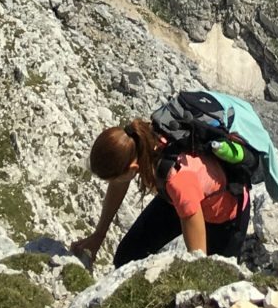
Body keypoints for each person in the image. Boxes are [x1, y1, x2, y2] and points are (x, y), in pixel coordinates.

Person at [72, 114, 251, 269]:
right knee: (126, 259)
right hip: (179, 199)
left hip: (223, 216)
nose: (114, 183)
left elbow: (199, 260)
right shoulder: (139, 141)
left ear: (133, 168)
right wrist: (98, 236)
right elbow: (119, 183)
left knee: (214, 282)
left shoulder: (178, 179)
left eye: (115, 178)